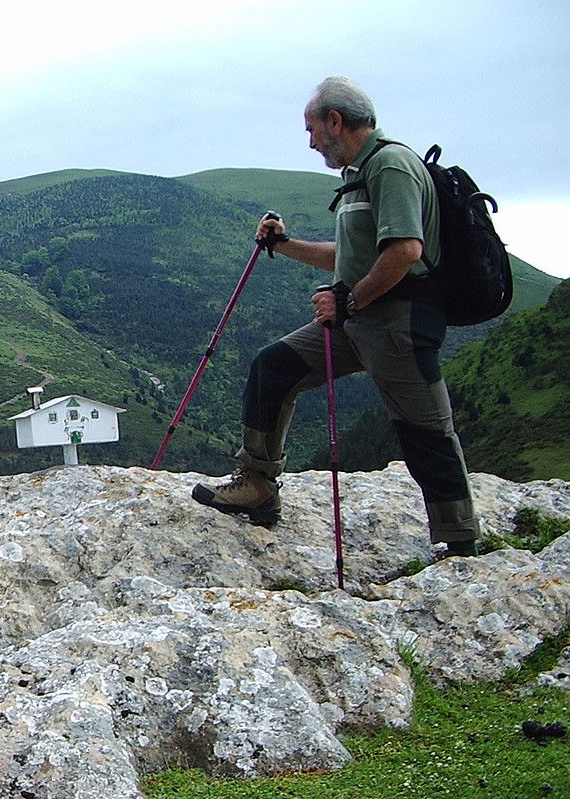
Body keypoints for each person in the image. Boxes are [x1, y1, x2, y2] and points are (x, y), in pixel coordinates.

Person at [192, 76, 481, 559]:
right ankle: (258, 485)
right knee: (273, 368)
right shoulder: (358, 176)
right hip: (362, 318)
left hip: (399, 320)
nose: (310, 142)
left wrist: (348, 302)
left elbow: (405, 251)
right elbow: (347, 257)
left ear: (335, 121)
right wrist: (282, 246)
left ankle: (461, 541)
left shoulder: (391, 165)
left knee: (424, 428)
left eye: (311, 130)